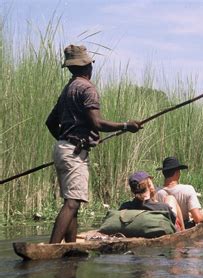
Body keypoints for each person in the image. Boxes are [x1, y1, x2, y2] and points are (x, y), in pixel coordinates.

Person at [45, 44, 142, 243]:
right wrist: (125, 125)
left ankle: (71, 247)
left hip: (63, 149)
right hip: (73, 152)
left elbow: (50, 122)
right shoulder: (87, 88)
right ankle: (52, 247)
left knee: (72, 201)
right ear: (88, 66)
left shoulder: (67, 90)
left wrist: (66, 140)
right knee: (72, 203)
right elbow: (97, 123)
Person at [156, 156, 203, 229]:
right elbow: (197, 218)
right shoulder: (187, 189)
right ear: (177, 173)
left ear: (164, 173)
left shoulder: (156, 192)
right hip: (183, 226)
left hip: (164, 226)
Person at [119, 171, 185, 231]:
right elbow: (174, 224)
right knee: (171, 199)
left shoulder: (124, 207)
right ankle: (184, 231)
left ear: (132, 190)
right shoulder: (163, 208)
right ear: (150, 186)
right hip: (159, 238)